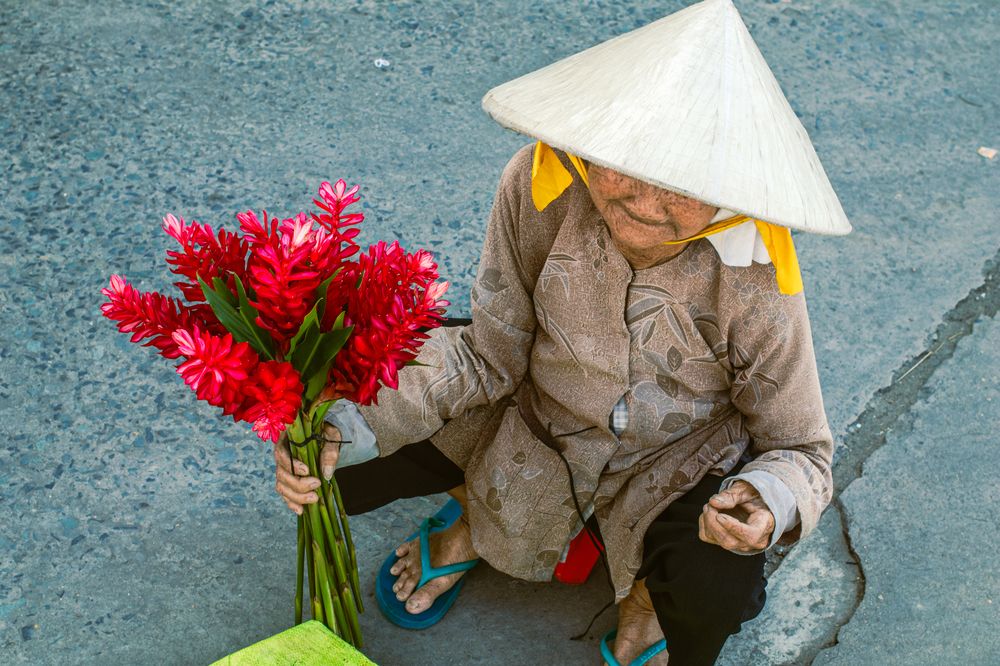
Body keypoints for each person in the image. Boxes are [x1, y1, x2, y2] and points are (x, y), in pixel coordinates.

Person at [274, 1, 851, 664]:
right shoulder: (539, 183)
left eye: (681, 187)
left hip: (676, 462)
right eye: (624, 165)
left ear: (729, 194)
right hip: (538, 418)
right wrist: (338, 428)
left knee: (715, 574)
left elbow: (803, 448)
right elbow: (488, 352)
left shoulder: (758, 274)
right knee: (343, 446)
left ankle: (645, 600)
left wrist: (765, 500)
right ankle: (478, 518)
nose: (641, 201)